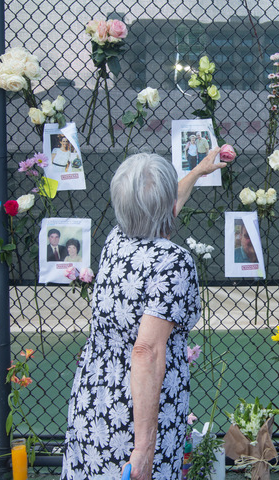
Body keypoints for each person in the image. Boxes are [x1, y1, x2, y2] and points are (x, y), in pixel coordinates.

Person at [61, 148, 226, 480]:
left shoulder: (116, 240)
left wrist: (196, 173)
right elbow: (146, 351)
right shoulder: (173, 262)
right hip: (138, 412)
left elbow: (161, 207)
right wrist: (143, 449)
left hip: (95, 396)